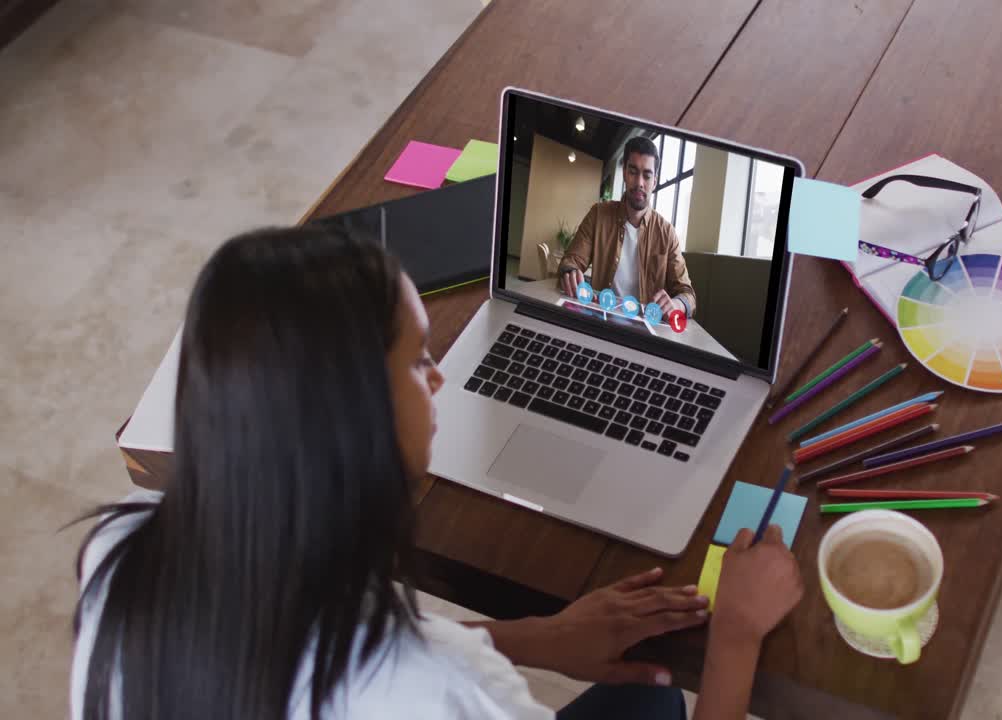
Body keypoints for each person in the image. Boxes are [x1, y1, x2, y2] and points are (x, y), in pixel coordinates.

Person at [70, 226, 802, 720]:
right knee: (659, 698)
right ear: (359, 425)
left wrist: (536, 638)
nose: (442, 380)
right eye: (420, 361)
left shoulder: (121, 554)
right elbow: (416, 675)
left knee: (645, 699)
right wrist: (735, 633)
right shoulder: (443, 693)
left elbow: (322, 646)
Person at [558, 136, 697, 321]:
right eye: (633, 171)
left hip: (645, 326)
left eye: (647, 175)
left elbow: (687, 294)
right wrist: (570, 272)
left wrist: (677, 304)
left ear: (654, 181)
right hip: (601, 317)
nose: (639, 182)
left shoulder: (667, 233)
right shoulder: (599, 215)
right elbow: (571, 260)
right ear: (624, 173)